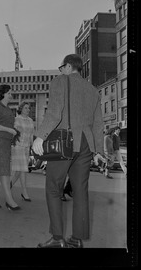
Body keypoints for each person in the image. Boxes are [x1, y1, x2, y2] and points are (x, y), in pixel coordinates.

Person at [32, 54, 105, 248]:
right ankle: (76, 239)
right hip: (86, 145)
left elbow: (55, 110)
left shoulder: (60, 81)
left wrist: (41, 135)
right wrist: (99, 151)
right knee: (80, 191)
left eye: (61, 66)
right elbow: (98, 124)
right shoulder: (93, 90)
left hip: (64, 143)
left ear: (69, 66)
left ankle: (57, 239)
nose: (60, 70)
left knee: (53, 188)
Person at [10, 101, 34, 201]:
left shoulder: (30, 120)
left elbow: (32, 134)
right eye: (26, 108)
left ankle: (9, 185)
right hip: (18, 146)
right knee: (22, 169)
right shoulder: (16, 119)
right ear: (21, 109)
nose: (28, 110)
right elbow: (13, 133)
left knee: (20, 170)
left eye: (28, 108)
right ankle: (23, 192)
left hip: (26, 147)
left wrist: (32, 146)